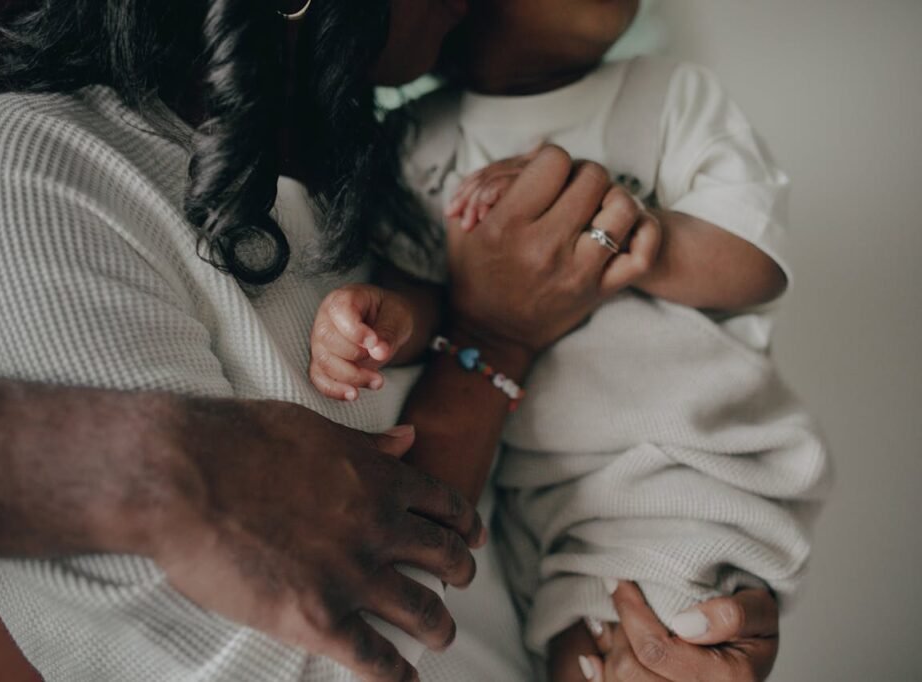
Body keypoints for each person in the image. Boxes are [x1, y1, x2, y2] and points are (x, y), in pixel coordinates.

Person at [0, 0, 784, 680]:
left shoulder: (388, 193)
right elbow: (279, 666)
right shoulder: (24, 169)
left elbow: (549, 528)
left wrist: (655, 618)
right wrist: (489, 344)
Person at [307, 0, 830, 680]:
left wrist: (643, 235)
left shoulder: (669, 95)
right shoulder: (421, 136)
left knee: (657, 635)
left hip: (688, 454)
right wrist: (379, 321)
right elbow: (428, 296)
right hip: (541, 489)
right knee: (575, 648)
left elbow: (755, 264)